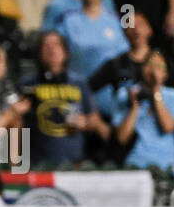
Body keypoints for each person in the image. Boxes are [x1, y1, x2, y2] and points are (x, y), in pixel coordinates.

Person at [19, 30, 110, 167]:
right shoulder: (27, 84)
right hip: (37, 164)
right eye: (46, 46)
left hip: (73, 164)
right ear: (39, 53)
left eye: (56, 45)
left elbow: (94, 119)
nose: (52, 49)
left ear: (65, 52)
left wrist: (85, 122)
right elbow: (15, 124)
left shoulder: (79, 83)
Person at [54, 0, 127, 80]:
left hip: (109, 90)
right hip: (78, 88)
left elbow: (124, 55)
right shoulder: (67, 21)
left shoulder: (116, 21)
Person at [112, 50, 174, 169]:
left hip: (167, 164)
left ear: (166, 73)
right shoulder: (126, 94)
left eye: (159, 66)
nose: (153, 70)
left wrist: (156, 93)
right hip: (136, 163)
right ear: (142, 68)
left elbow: (168, 127)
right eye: (149, 64)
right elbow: (121, 138)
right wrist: (134, 106)